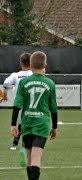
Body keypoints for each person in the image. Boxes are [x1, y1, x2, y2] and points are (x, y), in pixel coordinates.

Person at [10, 51, 58, 180]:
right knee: (36, 159)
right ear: (45, 66)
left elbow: (17, 105)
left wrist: (13, 125)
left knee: (29, 159)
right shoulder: (50, 83)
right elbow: (53, 108)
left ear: (30, 65)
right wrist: (54, 127)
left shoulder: (24, 82)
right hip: (42, 124)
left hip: (27, 123)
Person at [2, 53, 32, 150]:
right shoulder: (34, 74)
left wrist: (5, 95)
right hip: (33, 105)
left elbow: (6, 83)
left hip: (19, 106)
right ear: (31, 63)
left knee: (21, 124)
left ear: (20, 63)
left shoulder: (16, 75)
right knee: (29, 124)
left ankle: (15, 143)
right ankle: (28, 143)